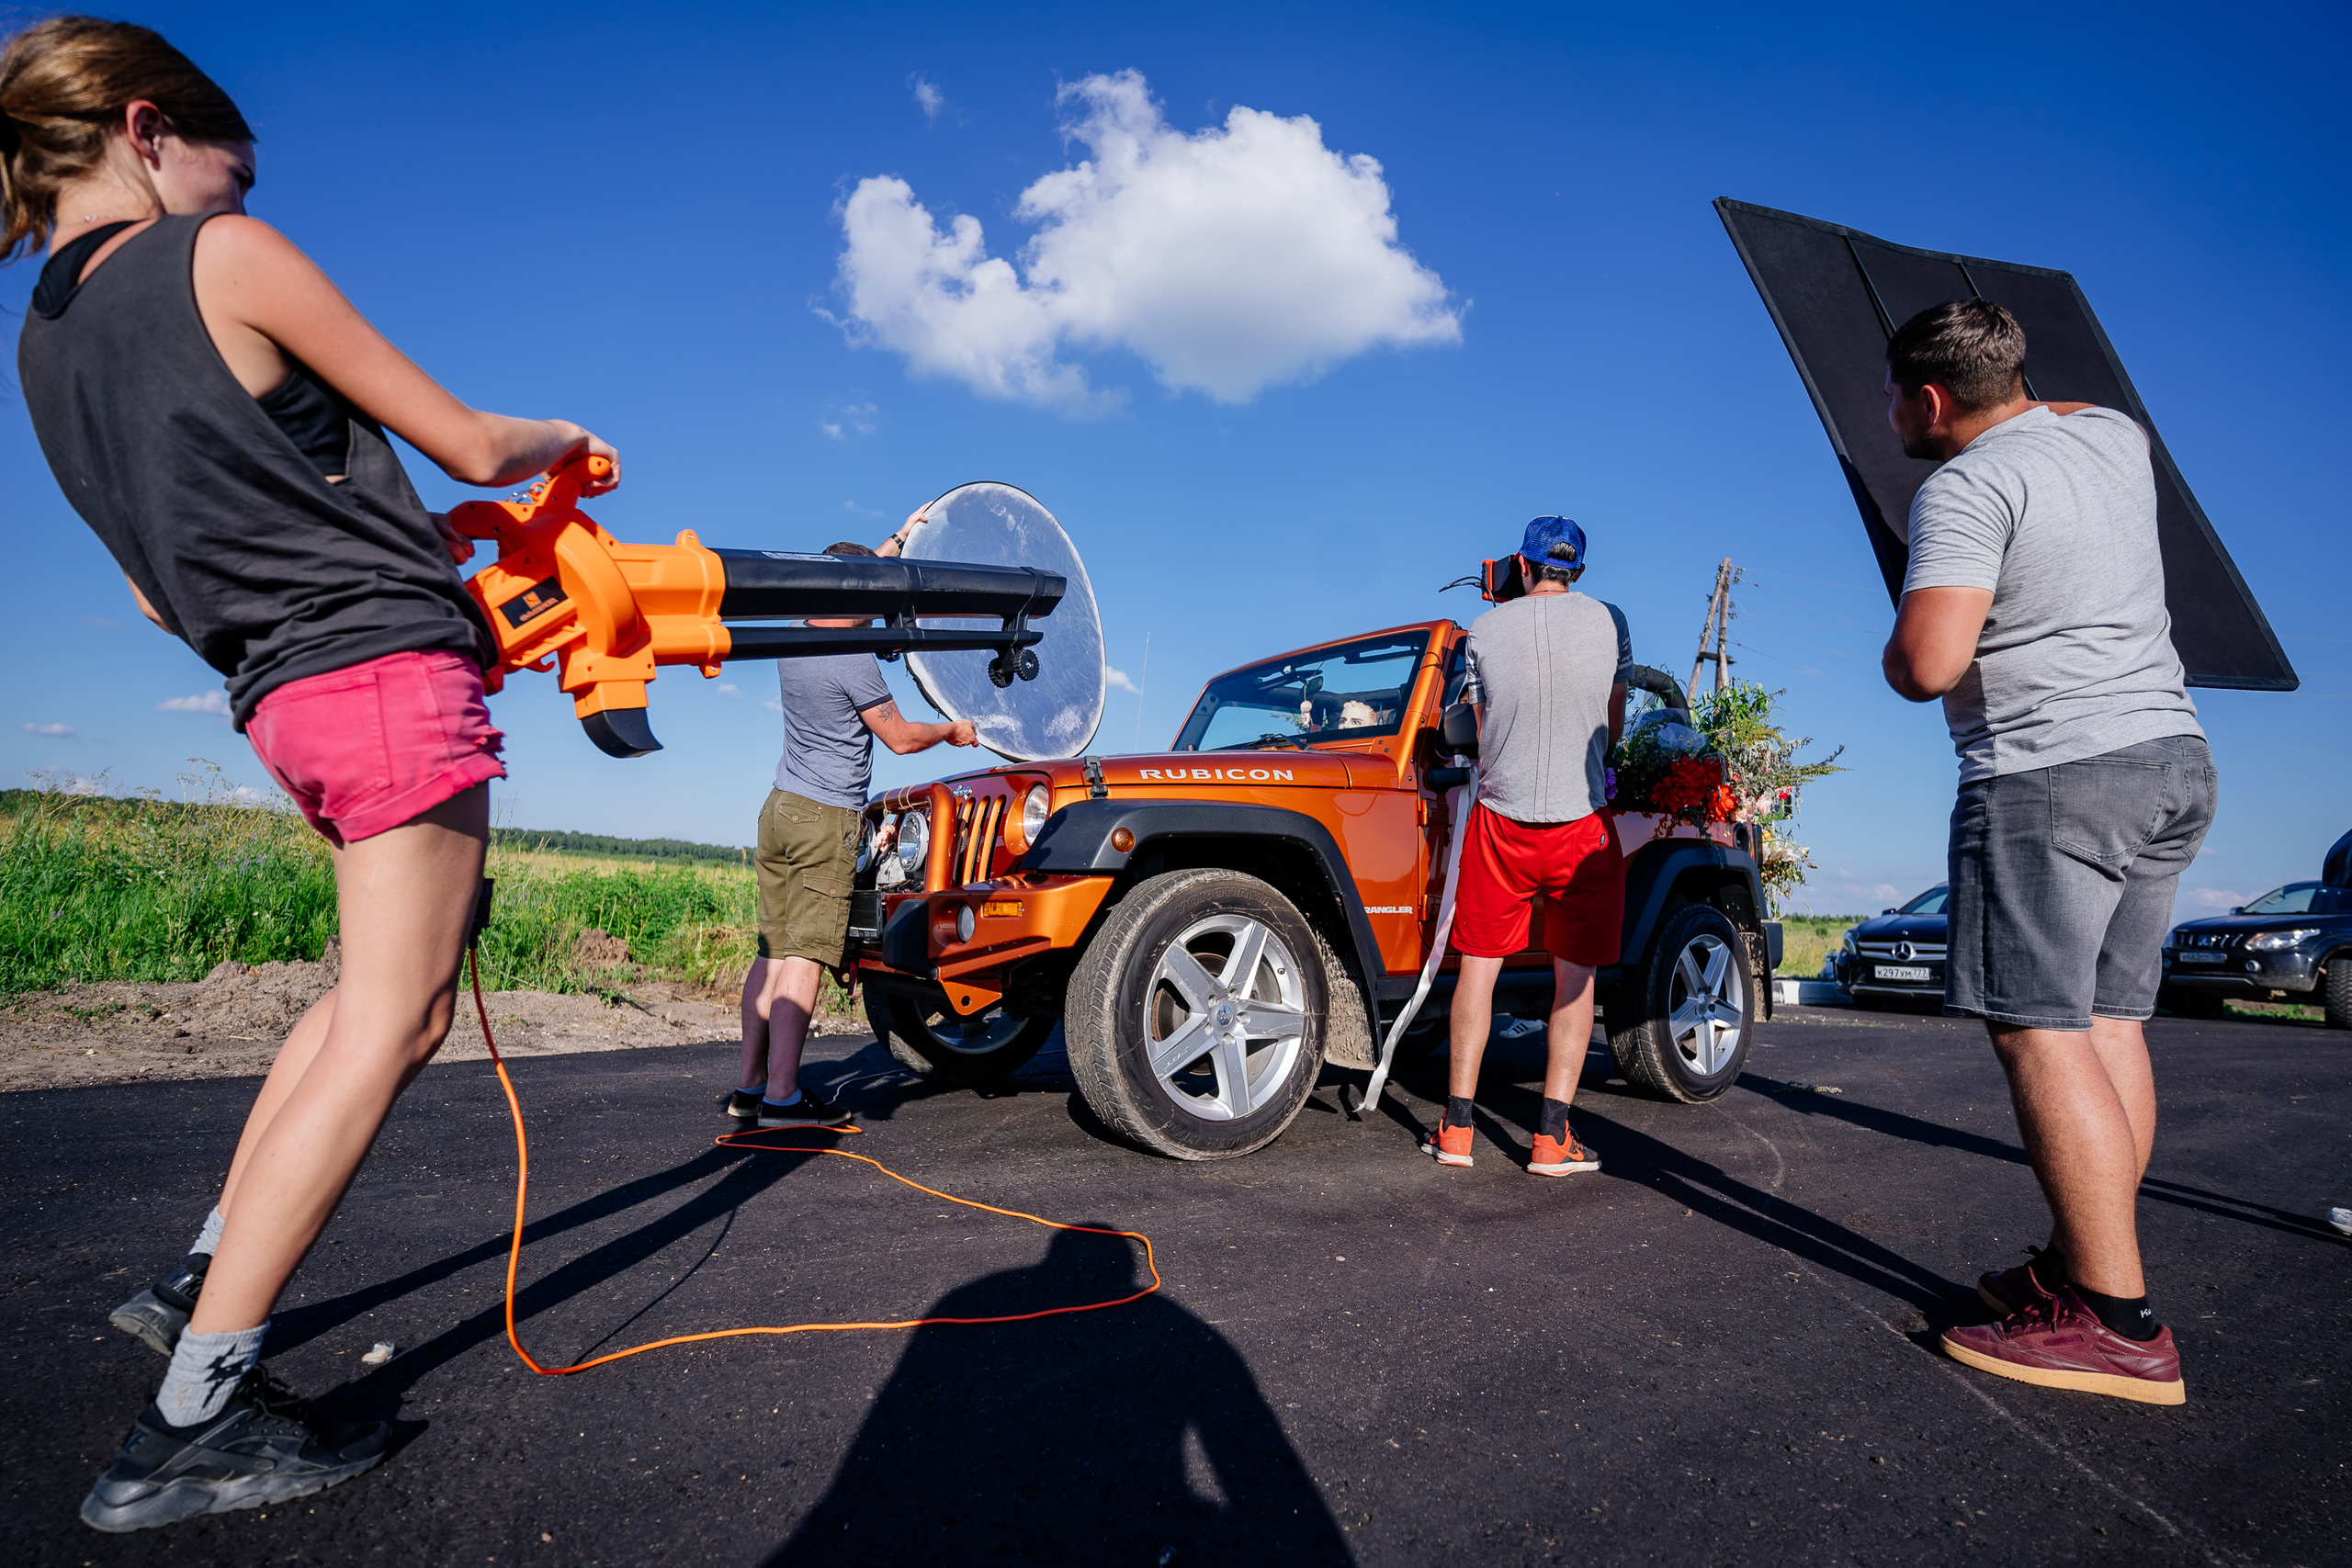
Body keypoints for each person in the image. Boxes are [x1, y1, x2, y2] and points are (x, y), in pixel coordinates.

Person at [4, 17, 622, 1529]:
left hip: (278, 693)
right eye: (235, 165)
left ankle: (202, 1277)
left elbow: (153, 586)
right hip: (382, 672)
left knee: (359, 995)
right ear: (147, 129)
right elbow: (471, 441)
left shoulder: (43, 346)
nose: (240, 191)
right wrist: (568, 438)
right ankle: (190, 1422)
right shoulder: (219, 256)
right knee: (399, 1015)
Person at [1878, 299, 2213, 1405]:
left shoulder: (1963, 489)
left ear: (1932, 399)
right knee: (2109, 1023)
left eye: (1896, 400)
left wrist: (1897, 641)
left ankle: (2114, 1323)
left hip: (2050, 772)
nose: (1890, 418)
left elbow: (1928, 665)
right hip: (2171, 760)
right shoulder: (2112, 436)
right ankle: (2082, 1266)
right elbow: (2065, 405)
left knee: (2038, 1030)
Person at [728, 536, 978, 1128]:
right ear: (859, 593)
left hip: (779, 809)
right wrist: (951, 730)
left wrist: (897, 540)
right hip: (823, 818)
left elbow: (852, 575)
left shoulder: (796, 630)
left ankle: (750, 1088)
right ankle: (783, 1100)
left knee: (771, 951)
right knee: (807, 956)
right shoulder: (851, 658)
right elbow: (901, 739)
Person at [1427, 516, 1632, 1176]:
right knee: (1576, 979)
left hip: (1502, 820)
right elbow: (1612, 724)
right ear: (1578, 570)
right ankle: (1550, 1138)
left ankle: (1457, 1131)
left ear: (1522, 564)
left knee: (1479, 969)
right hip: (1582, 823)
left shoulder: (1483, 629)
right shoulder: (1610, 621)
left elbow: (1474, 724)